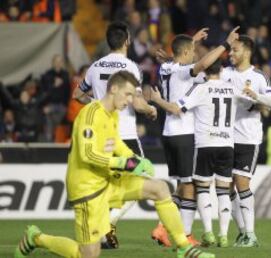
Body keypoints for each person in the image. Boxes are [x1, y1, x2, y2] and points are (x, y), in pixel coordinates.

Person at [14, 71, 215, 258]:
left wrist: (135, 159)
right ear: (113, 89)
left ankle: (183, 247)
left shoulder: (113, 114)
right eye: (128, 94)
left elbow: (116, 143)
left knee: (159, 188)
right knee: (88, 254)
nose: (130, 100)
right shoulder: (91, 114)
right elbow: (87, 154)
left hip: (108, 181)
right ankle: (36, 238)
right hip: (87, 189)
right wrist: (124, 162)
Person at [151, 27, 239, 247]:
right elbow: (201, 65)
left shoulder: (166, 66)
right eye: (192, 51)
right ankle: (185, 234)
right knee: (190, 186)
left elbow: (180, 54)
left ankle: (163, 227)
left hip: (169, 133)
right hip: (184, 132)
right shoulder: (186, 70)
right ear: (187, 53)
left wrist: (191, 41)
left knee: (183, 186)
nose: (195, 55)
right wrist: (226, 44)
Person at [73, 21, 157, 248]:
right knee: (143, 180)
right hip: (125, 134)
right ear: (127, 40)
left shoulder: (94, 67)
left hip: (102, 135)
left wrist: (98, 104)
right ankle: (108, 225)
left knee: (107, 185)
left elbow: (77, 95)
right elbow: (138, 104)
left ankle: (101, 230)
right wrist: (151, 109)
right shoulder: (131, 67)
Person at [221, 35, 271, 247]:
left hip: (248, 137)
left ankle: (251, 233)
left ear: (246, 51)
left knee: (242, 182)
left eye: (235, 50)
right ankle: (243, 232)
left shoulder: (258, 76)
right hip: (225, 137)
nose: (231, 53)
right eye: (230, 50)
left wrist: (256, 96)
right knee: (225, 187)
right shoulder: (224, 73)